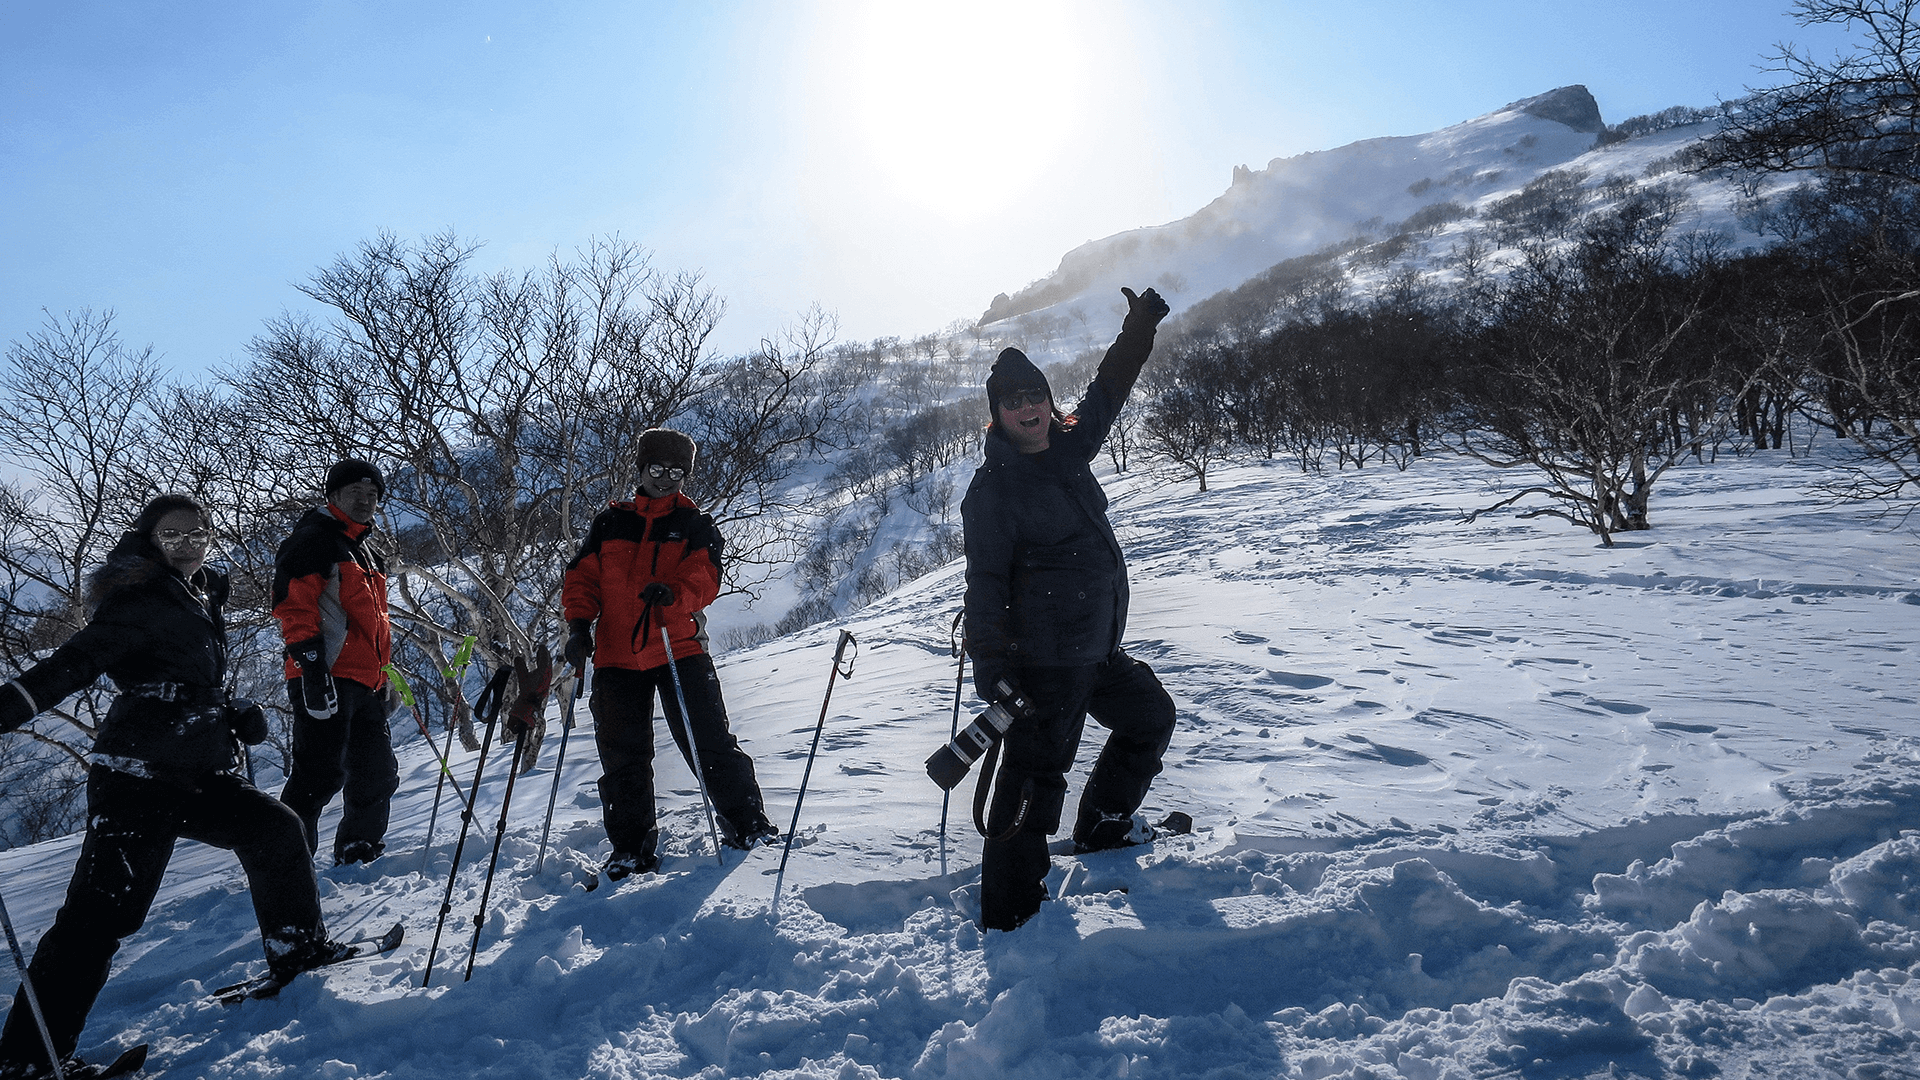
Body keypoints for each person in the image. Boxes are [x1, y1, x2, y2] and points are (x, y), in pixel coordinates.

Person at [0, 495, 346, 1079]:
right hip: (136, 777)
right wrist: (11, 706)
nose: (188, 542)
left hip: (195, 769)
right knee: (101, 915)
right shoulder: (136, 599)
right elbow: (76, 662)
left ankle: (298, 954)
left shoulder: (201, 591)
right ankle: (27, 1060)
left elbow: (178, 678)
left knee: (276, 830)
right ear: (149, 540)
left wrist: (231, 710)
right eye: (173, 534)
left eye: (199, 532)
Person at [961, 286, 1179, 931]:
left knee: (1148, 717)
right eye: (1013, 401)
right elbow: (984, 583)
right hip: (1045, 661)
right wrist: (994, 668)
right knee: (1033, 777)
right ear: (996, 415)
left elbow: (1109, 388)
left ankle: (1105, 825)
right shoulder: (993, 492)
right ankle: (1009, 910)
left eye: (1036, 396)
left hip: (1096, 648)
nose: (1028, 407)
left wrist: (1139, 325)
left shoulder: (1068, 446)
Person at [562, 428, 778, 879]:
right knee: (623, 757)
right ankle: (631, 848)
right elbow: (582, 578)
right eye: (657, 469)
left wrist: (675, 594)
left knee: (709, 742)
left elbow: (706, 576)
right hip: (617, 656)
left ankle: (747, 824)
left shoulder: (696, 524)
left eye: (677, 472)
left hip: (677, 648)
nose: (666, 479)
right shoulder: (610, 522)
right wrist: (579, 625)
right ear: (640, 469)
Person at [273, 459, 399, 866]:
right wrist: (310, 666)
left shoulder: (366, 550)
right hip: (325, 675)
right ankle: (287, 860)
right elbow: (293, 604)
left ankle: (358, 849)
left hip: (365, 680)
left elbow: (373, 623)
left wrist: (385, 677)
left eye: (372, 495)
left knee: (376, 772)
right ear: (332, 496)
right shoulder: (314, 539)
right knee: (319, 774)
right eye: (355, 493)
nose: (365, 501)